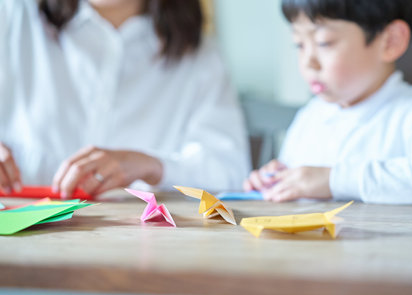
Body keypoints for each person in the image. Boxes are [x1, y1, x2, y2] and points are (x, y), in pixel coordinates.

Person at [0, 0, 250, 198]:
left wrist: (152, 165)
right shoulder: (13, 16)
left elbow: (230, 173)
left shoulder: (201, 57)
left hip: (144, 250)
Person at [244, 0, 412, 205]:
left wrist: (333, 181)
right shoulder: (311, 115)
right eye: (299, 44)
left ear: (390, 41)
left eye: (324, 42)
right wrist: (275, 179)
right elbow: (301, 180)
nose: (308, 62)